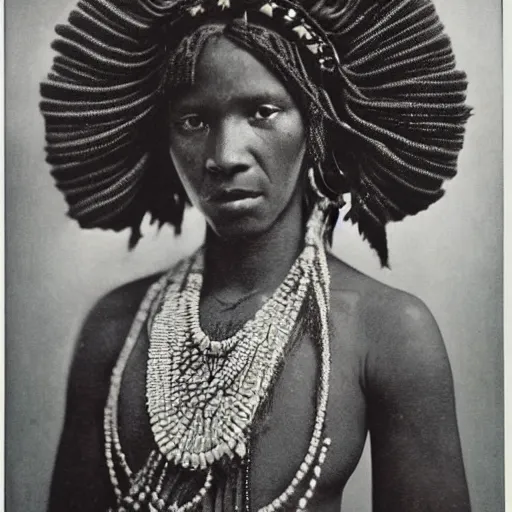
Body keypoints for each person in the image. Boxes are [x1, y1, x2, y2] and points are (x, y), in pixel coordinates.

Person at [40, 0, 472, 510]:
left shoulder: (389, 332)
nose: (224, 156)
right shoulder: (115, 328)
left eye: (262, 112)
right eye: (193, 120)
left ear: (316, 125)